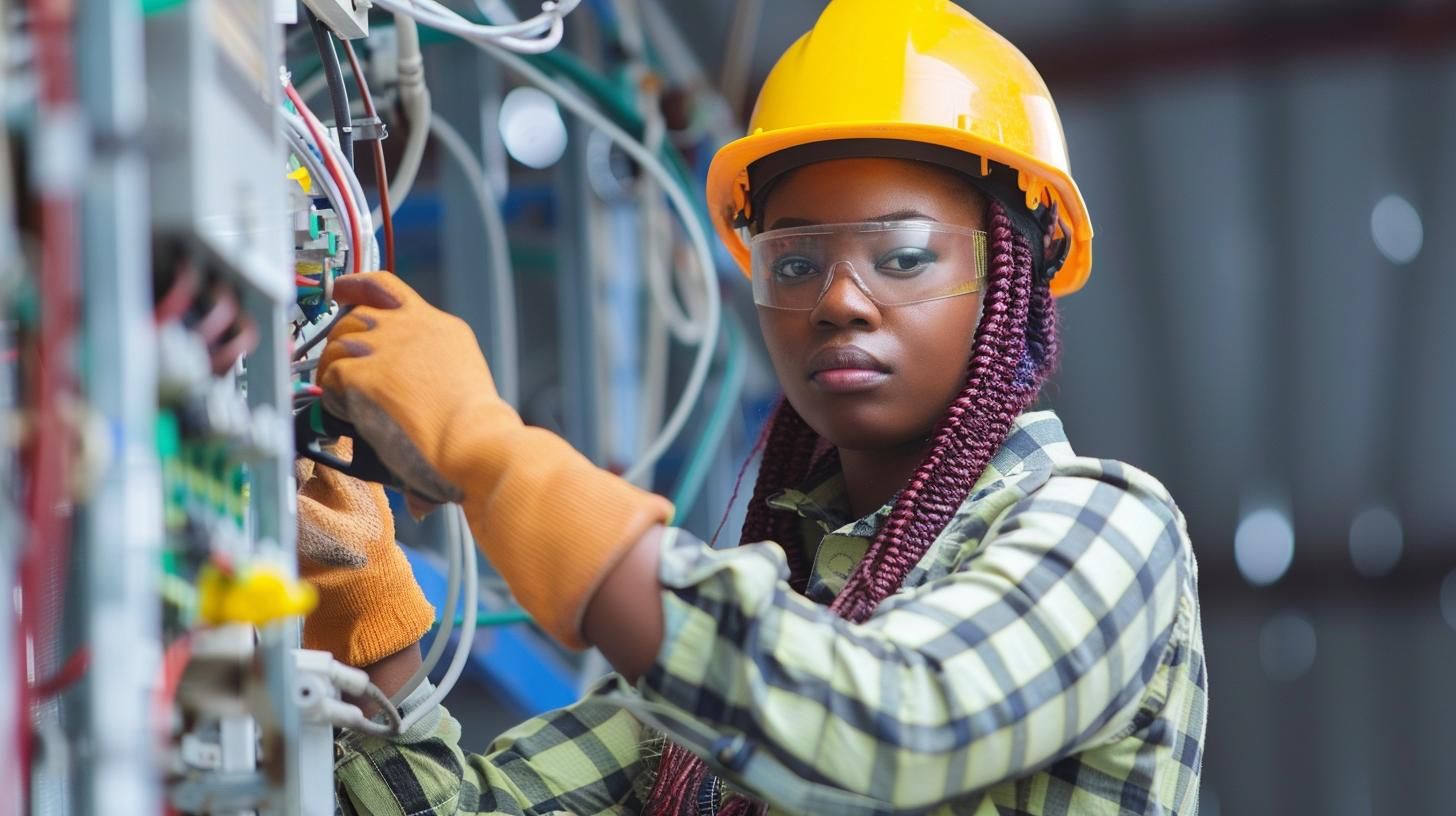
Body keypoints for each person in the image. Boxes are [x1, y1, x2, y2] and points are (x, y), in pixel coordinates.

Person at [299, 1, 1207, 813]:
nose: (838, 303)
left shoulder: (1111, 527)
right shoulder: (752, 637)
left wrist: (489, 452)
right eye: (796, 263)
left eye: (902, 257)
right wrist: (368, 613)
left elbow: (891, 727)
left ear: (1012, 278)